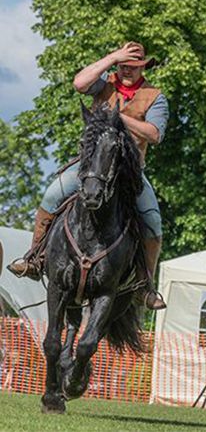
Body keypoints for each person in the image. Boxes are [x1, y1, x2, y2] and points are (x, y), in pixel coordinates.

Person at [8, 42, 168, 310]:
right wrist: (112, 57)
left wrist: (119, 117)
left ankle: (144, 285)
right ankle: (35, 258)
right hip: (91, 165)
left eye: (134, 66)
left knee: (152, 221)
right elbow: (79, 83)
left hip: (129, 171)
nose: (127, 70)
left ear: (143, 67)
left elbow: (154, 134)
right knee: (52, 194)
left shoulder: (155, 96)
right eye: (123, 65)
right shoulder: (104, 83)